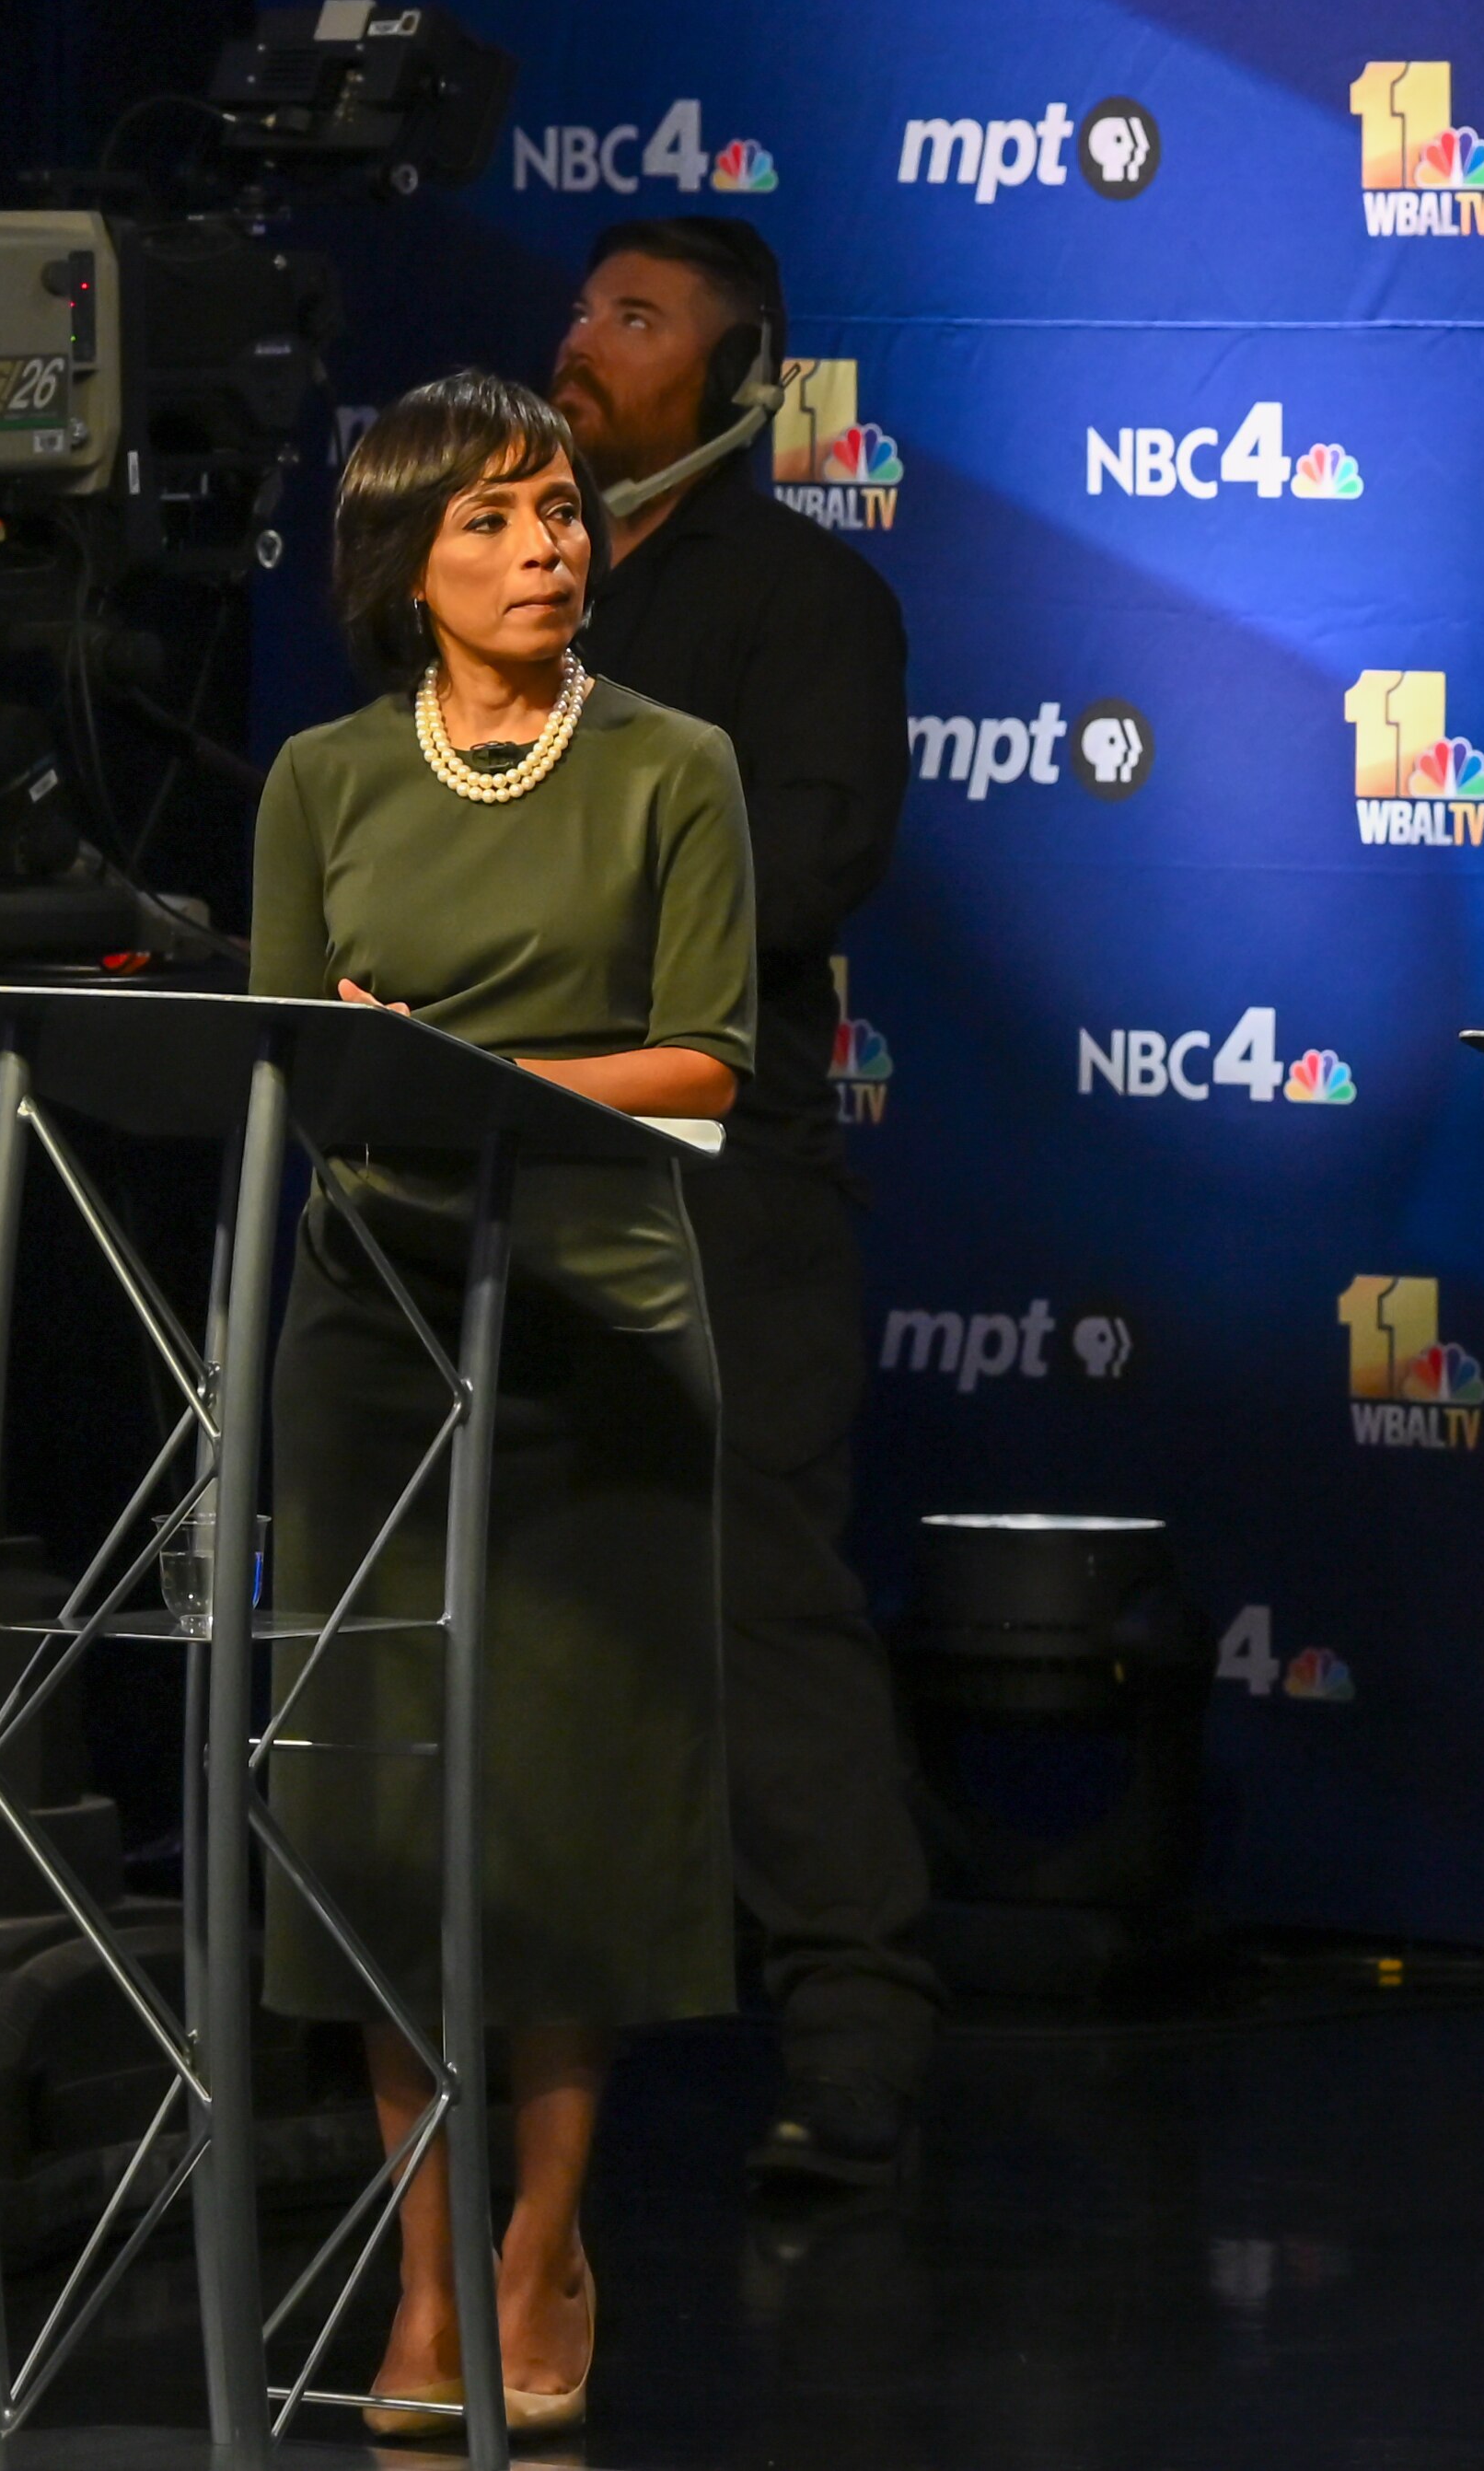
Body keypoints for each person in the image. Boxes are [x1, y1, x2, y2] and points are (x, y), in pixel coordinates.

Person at [248, 371, 759, 2436]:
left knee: (561, 1821)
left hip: (598, 1335)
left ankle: (543, 2238)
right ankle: (426, 2268)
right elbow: (293, 1056)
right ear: (406, 567)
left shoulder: (674, 767)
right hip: (372, 1338)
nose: (549, 544)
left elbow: (707, 1060)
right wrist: (376, 1079)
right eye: (497, 520)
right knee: (385, 1818)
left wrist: (483, 1083)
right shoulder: (319, 780)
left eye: (560, 509)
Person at [547, 217, 939, 2188]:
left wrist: (560, 906)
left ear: (741, 371)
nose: (583, 343)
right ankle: (443, 2027)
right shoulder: (497, 584)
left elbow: (809, 868)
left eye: (635, 320)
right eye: (584, 309)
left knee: (758, 1598)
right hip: (497, 1165)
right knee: (495, 1601)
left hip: (716, 1178)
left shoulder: (806, 599)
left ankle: (854, 2036)